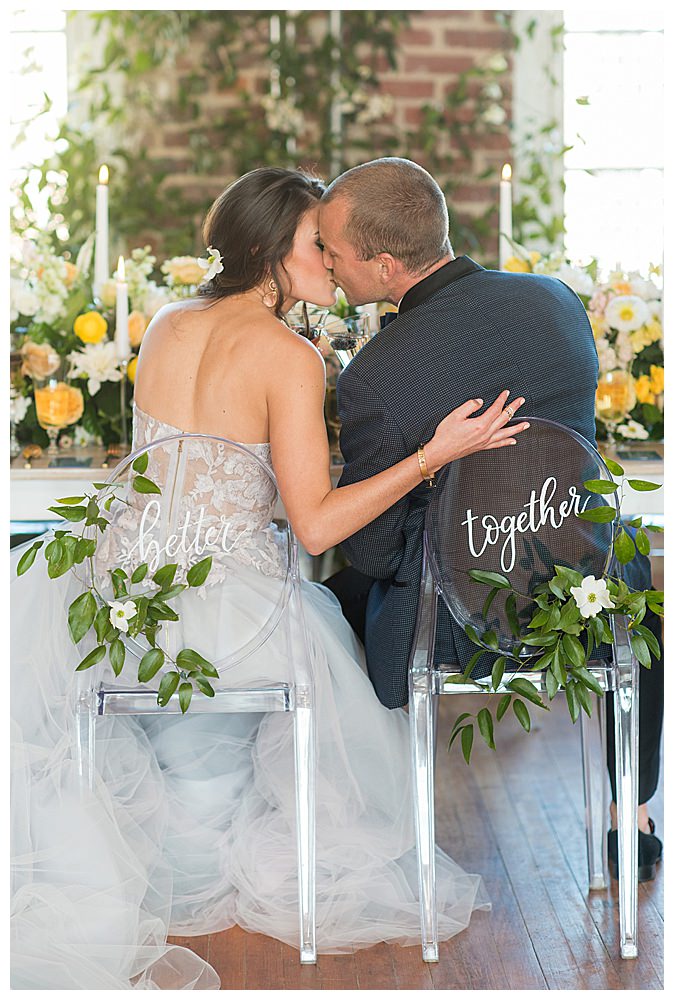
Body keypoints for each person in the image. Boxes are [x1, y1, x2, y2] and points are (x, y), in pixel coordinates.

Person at [11, 167, 531, 989]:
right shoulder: (290, 357)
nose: (329, 257)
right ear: (268, 250)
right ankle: (215, 860)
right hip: (230, 618)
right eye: (313, 244)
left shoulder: (164, 324)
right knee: (337, 644)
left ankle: (175, 859)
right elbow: (318, 523)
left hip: (124, 603)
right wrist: (433, 455)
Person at [318, 156, 663, 885]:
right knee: (646, 604)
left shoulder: (375, 373)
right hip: (589, 601)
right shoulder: (557, 302)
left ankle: (359, 821)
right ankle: (629, 815)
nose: (326, 262)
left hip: (453, 623)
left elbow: (376, 554)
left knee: (320, 604)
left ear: (383, 266)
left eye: (332, 250)